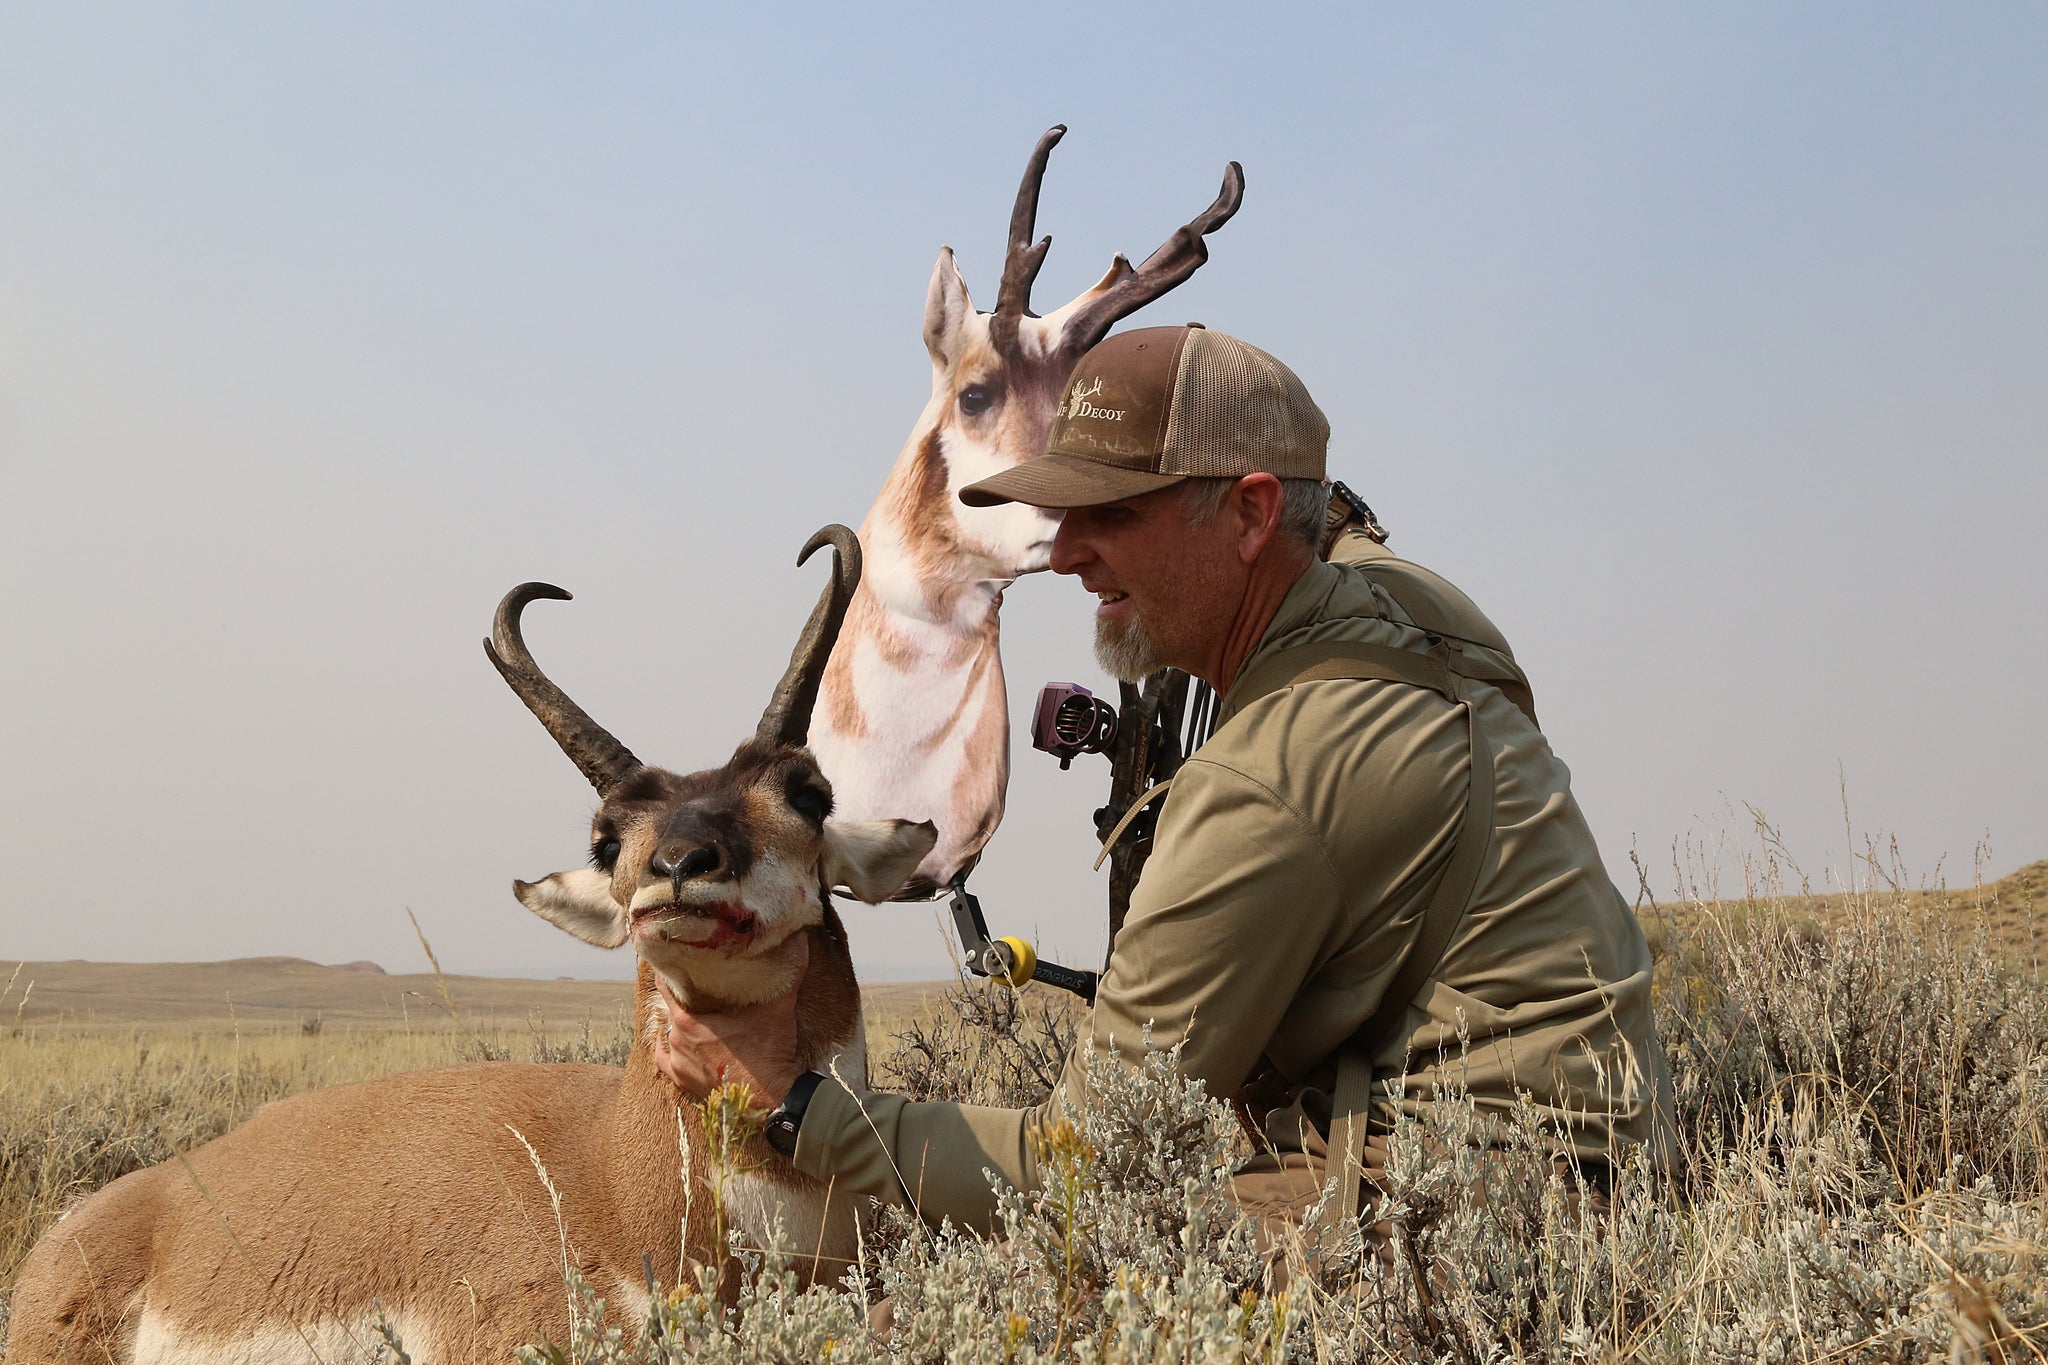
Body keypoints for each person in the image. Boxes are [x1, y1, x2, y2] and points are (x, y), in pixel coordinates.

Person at [655, 323, 1673, 1246]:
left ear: (1249, 514)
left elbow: (1084, 1165)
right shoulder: (1413, 605)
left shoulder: (1265, 784)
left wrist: (796, 1109)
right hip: (1610, 1134)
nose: (1065, 556)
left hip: (1504, 1212)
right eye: (1061, 511)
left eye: (1114, 514)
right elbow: (1344, 534)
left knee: (1072, 1292)